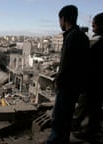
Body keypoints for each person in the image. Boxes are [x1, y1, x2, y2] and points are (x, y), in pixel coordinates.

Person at [46, 5, 89, 144]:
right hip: (76, 85)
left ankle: (54, 141)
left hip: (67, 86)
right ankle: (62, 140)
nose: (60, 24)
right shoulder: (83, 37)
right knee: (67, 117)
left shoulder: (71, 37)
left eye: (59, 20)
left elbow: (66, 63)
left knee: (59, 118)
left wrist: (58, 80)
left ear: (63, 19)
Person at [84, 12, 103, 143]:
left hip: (95, 83)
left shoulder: (98, 43)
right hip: (97, 82)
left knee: (93, 108)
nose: (93, 29)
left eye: (94, 25)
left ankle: (91, 133)